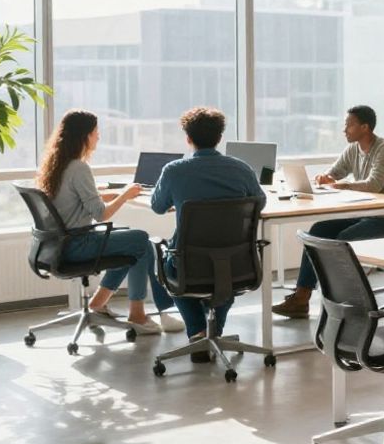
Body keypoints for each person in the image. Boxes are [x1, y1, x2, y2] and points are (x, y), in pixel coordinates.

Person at [35, 110, 179, 335]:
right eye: (95, 132)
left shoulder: (59, 165)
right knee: (141, 241)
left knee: (132, 243)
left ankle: (100, 303)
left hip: (57, 245)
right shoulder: (79, 168)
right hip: (77, 244)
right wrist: (126, 195)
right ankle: (140, 314)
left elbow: (76, 199)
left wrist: (113, 193)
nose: (98, 136)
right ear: (84, 136)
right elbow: (101, 215)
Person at [273, 105, 384, 319]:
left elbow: (373, 185)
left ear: (365, 127)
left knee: (343, 239)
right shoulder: (353, 149)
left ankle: (344, 299)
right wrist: (325, 177)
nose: (344, 130)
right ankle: (301, 298)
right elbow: (335, 172)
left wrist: (341, 185)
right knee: (318, 230)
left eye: (349, 125)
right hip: (363, 214)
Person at [151, 107, 266, 351]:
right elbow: (259, 203)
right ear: (219, 138)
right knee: (224, 271)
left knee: (169, 266)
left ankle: (197, 333)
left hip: (189, 266)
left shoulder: (174, 170)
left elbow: (158, 206)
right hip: (237, 265)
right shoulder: (241, 168)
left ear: (188, 138)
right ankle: (216, 331)